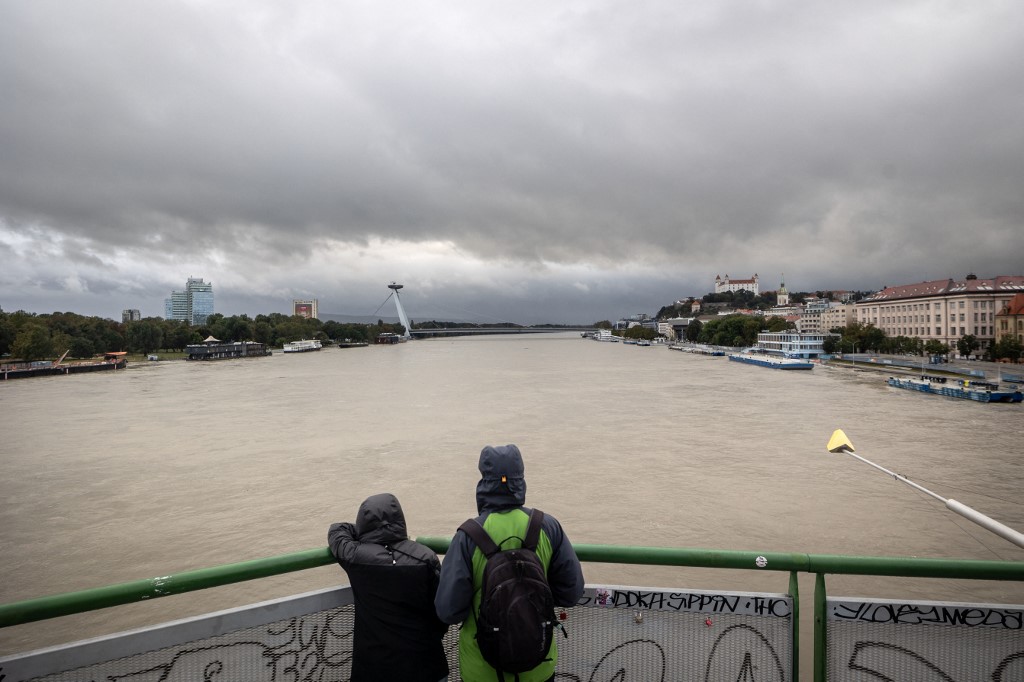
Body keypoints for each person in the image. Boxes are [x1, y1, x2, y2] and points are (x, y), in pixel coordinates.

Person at [435, 444, 585, 682]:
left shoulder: (467, 536)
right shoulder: (548, 526)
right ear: (520, 480)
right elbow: (572, 593)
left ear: (484, 481)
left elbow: (448, 610)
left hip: (482, 670)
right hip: (538, 665)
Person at [328, 492, 450, 682]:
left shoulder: (355, 557)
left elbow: (337, 530)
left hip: (375, 668)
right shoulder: (426, 557)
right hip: (426, 663)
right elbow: (442, 613)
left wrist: (363, 533)